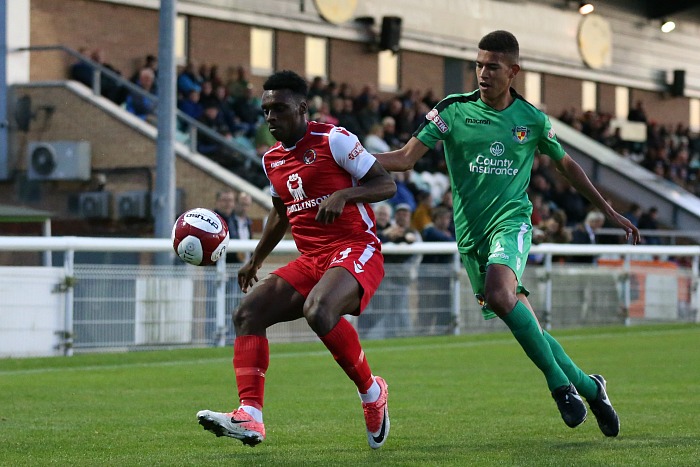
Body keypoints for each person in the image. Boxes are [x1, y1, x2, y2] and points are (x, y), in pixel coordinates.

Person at [374, 30, 639, 437]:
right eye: (478, 65)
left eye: (492, 67)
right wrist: (348, 160)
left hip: (511, 223)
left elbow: (567, 166)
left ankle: (560, 387)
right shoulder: (452, 111)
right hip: (470, 236)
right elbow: (405, 159)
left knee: (501, 293)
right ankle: (590, 386)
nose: (483, 73)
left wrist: (608, 210)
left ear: (512, 71)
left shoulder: (531, 119)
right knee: (525, 322)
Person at [196, 70, 396, 448]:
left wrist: (344, 195)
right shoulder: (272, 159)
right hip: (313, 258)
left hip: (356, 247)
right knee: (247, 313)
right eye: (265, 110)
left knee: (318, 310)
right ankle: (250, 416)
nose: (271, 117)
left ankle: (372, 393)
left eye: (279, 109)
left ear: (302, 108)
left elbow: (386, 184)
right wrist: (255, 260)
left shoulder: (334, 140)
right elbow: (280, 213)